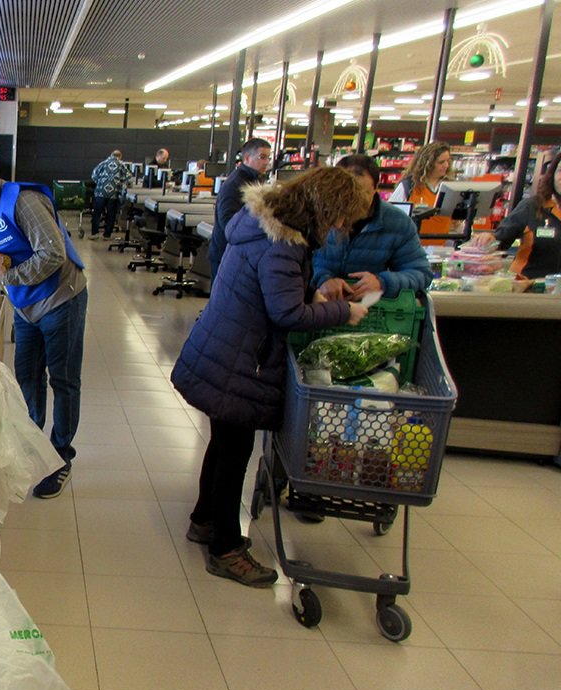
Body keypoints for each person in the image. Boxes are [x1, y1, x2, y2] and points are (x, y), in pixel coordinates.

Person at [171, 167, 370, 586]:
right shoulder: (282, 243)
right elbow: (285, 313)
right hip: (242, 360)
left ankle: (204, 521)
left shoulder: (264, 226)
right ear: (325, 207)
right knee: (233, 455)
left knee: (224, 445)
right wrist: (341, 312)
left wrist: (313, 291)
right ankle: (225, 549)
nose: (339, 227)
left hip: (226, 349)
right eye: (339, 218)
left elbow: (274, 294)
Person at [0, 166, 88, 498]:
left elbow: (53, 254)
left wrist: (7, 276)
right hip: (25, 307)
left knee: (63, 380)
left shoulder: (23, 202)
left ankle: (61, 456)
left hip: (60, 299)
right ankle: (33, 446)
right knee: (27, 376)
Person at [313, 153, 433, 300]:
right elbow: (289, 265)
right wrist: (322, 279)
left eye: (362, 193)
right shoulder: (317, 216)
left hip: (372, 312)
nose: (353, 202)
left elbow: (421, 273)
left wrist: (382, 283)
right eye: (345, 194)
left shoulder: (398, 223)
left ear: (376, 187)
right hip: (319, 308)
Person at [471, 149, 561, 279]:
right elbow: (500, 240)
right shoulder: (532, 206)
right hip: (529, 288)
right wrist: (489, 239)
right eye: (559, 170)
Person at [209, 138, 272, 284]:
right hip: (225, 255)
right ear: (247, 158)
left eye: (268, 157)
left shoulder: (255, 181)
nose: (266, 162)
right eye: (262, 157)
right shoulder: (235, 184)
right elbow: (228, 224)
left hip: (238, 254)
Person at [390, 141, 451, 206]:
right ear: (428, 164)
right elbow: (391, 212)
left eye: (448, 161)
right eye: (441, 162)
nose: (446, 165)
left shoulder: (451, 187)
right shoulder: (409, 186)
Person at [90, 148, 130, 238]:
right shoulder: (121, 164)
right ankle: (107, 234)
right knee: (111, 214)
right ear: (120, 157)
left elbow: (94, 175)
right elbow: (128, 177)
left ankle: (95, 233)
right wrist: (119, 183)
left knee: (97, 213)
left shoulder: (103, 163)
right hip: (113, 194)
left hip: (100, 192)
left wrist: (100, 183)